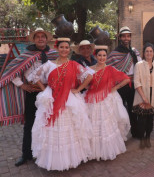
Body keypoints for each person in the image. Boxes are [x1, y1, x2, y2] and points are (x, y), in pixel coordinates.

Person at [31, 38, 93, 170]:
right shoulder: (49, 64)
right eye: (62, 47)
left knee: (69, 128)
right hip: (52, 99)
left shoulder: (74, 64)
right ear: (57, 49)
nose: (64, 49)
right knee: (51, 128)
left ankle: (69, 159)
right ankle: (53, 160)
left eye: (66, 47)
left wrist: (78, 89)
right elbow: (35, 76)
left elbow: (89, 76)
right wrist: (45, 90)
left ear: (69, 50)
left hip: (69, 99)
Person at [0, 28, 58, 167]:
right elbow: (11, 71)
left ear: (46, 39)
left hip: (49, 92)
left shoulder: (53, 54)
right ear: (34, 39)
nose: (40, 39)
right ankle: (26, 154)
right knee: (30, 124)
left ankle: (45, 153)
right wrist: (21, 85)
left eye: (43, 36)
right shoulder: (26, 55)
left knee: (48, 122)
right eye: (37, 37)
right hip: (33, 93)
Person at [85, 45, 131, 160]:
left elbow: (126, 79)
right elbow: (83, 83)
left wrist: (114, 88)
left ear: (106, 57)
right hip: (92, 100)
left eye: (104, 55)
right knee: (93, 124)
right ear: (95, 56)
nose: (101, 58)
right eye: (99, 55)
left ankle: (107, 150)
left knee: (106, 125)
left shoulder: (110, 69)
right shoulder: (89, 69)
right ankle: (93, 151)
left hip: (106, 99)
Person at [107, 26, 142, 138]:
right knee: (120, 110)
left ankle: (135, 132)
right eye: (124, 36)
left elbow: (140, 66)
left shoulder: (134, 51)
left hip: (132, 84)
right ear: (120, 38)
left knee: (133, 110)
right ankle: (120, 134)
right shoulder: (114, 53)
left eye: (128, 36)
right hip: (120, 85)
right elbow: (109, 69)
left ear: (130, 37)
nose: (126, 38)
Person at [133, 43, 154, 149]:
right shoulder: (138, 65)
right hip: (141, 95)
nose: (149, 53)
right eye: (147, 51)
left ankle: (148, 137)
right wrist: (144, 98)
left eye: (151, 51)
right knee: (142, 120)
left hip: (153, 95)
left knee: (150, 120)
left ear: (153, 53)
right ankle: (142, 138)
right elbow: (136, 82)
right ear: (144, 53)